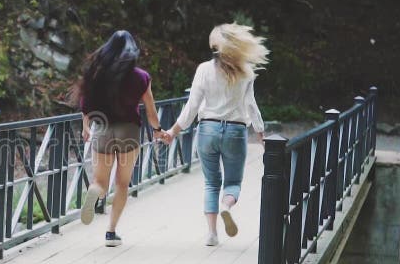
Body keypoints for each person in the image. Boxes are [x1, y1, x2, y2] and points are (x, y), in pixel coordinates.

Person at [163, 23, 267, 246]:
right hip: (235, 132)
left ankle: (211, 234)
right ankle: (226, 207)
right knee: (233, 183)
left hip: (207, 130)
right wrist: (260, 132)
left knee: (211, 183)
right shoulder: (246, 72)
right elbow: (251, 105)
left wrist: (173, 131)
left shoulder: (203, 69)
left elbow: (192, 106)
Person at [77, 30, 163, 247]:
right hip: (129, 131)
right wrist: (158, 129)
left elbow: (85, 105)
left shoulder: (97, 74)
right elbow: (151, 112)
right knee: (122, 184)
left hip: (103, 129)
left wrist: (86, 126)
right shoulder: (141, 77)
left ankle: (93, 194)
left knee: (99, 182)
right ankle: (111, 232)